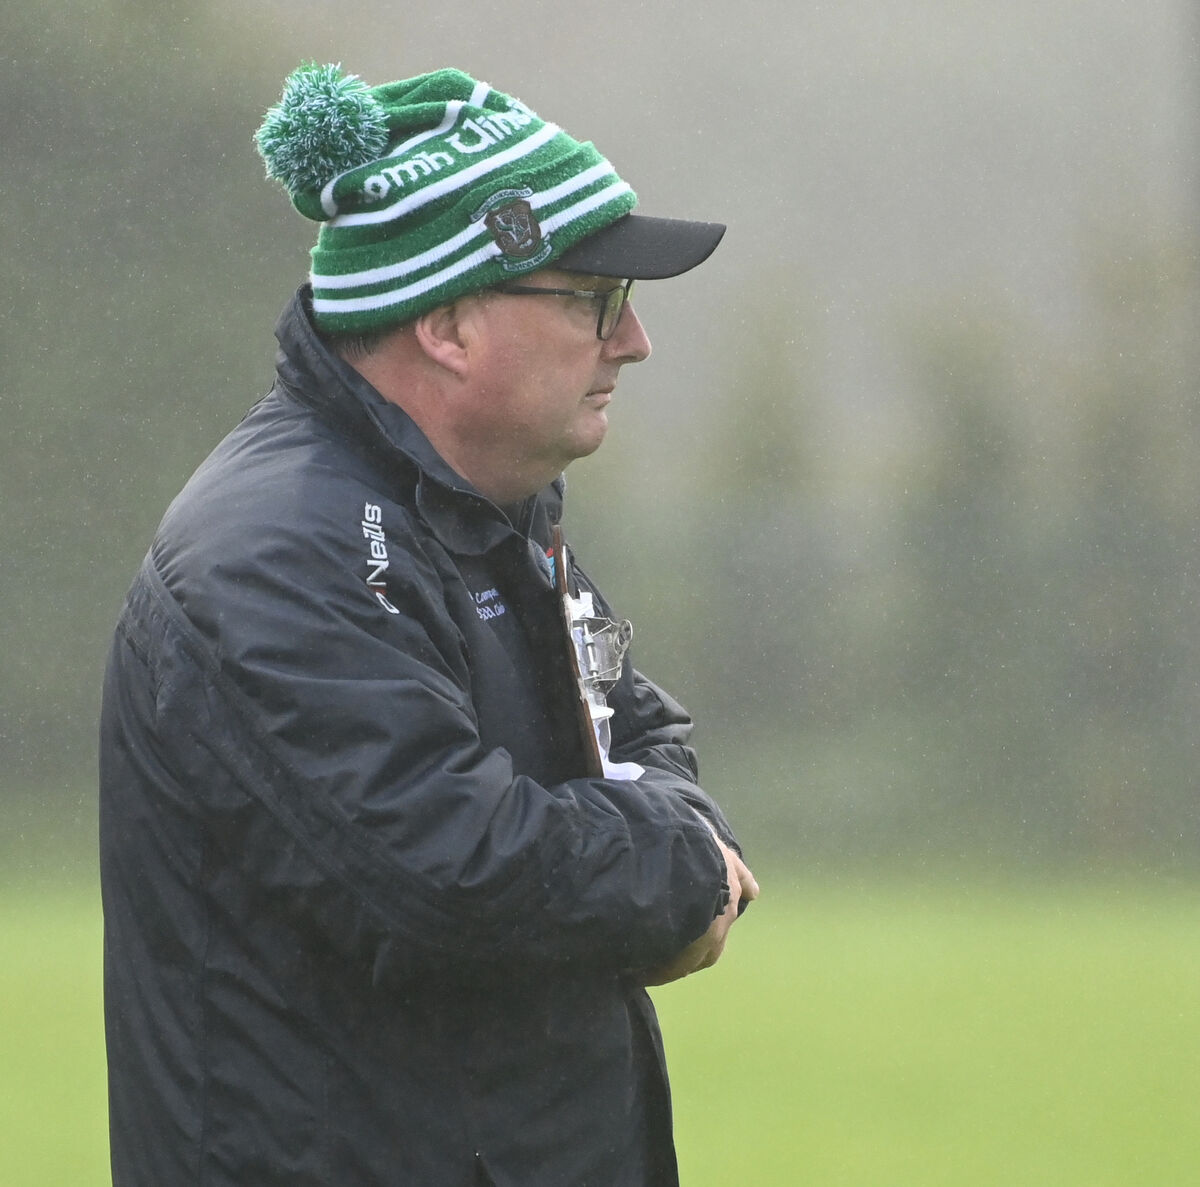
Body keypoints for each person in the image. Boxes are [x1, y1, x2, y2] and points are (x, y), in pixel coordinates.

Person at [99, 63, 758, 1187]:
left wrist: (667, 838)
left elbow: (641, 739)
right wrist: (686, 864)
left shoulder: (492, 512)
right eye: (594, 296)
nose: (634, 338)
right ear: (449, 322)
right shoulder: (274, 552)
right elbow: (456, 867)